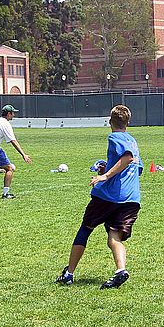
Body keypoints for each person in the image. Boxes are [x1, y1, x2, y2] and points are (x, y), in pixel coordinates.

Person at [56, 105, 143, 289]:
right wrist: (108, 167)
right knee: (114, 236)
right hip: (131, 199)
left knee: (85, 229)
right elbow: (137, 168)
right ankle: (121, 271)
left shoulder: (115, 137)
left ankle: (69, 274)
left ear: (110, 121)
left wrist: (105, 176)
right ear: (128, 122)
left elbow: (127, 158)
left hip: (109, 196)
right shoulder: (133, 141)